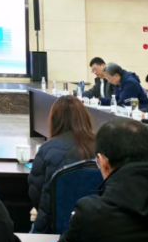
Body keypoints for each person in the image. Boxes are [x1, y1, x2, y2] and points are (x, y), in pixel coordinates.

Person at [28, 97, 97, 231]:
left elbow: (35, 193)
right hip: (94, 226)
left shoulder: (47, 148)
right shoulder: (100, 145)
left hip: (52, 226)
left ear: (54, 120)